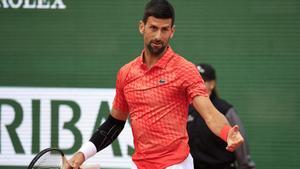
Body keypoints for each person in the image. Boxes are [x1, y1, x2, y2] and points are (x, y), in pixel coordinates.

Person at [66, 0, 244, 169]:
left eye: (164, 29)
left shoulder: (184, 70)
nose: (158, 36)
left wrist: (227, 132)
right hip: (140, 164)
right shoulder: (126, 73)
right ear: (142, 27)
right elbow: (114, 123)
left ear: (172, 31)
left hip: (176, 163)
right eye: (153, 28)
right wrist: (82, 154)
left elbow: (210, 113)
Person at [187, 63, 256, 169]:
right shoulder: (187, 110)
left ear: (212, 84)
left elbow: (239, 142)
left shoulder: (225, 109)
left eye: (202, 81)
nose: (197, 86)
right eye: (194, 82)